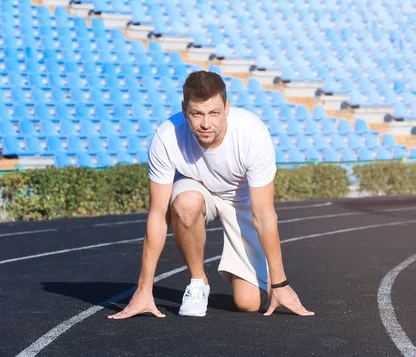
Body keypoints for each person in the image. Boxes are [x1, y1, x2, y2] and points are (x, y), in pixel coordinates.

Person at [108, 70, 314, 319]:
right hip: (198, 190)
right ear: (185, 110)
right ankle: (198, 283)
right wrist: (144, 288)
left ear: (227, 108)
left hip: (241, 201)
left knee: (249, 303)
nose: (206, 123)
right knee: (185, 202)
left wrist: (280, 284)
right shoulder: (166, 137)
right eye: (197, 114)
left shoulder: (252, 134)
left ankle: (264, 280)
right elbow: (158, 215)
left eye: (214, 113)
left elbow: (264, 214)